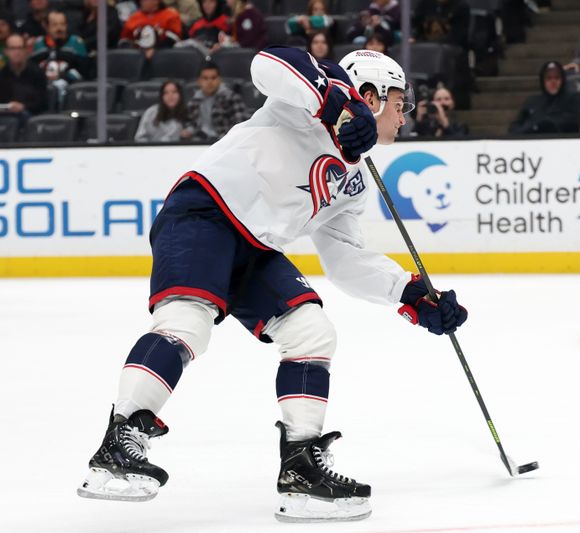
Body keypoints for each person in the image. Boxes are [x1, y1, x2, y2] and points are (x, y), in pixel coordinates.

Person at [76, 47, 466, 523]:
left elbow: (344, 258)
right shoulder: (308, 97)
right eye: (399, 103)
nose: (404, 117)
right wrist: (337, 103)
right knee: (186, 323)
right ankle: (120, 439)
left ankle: (300, 467)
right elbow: (267, 64)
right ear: (371, 95)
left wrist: (409, 293)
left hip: (256, 247)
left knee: (312, 332)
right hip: (205, 212)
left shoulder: (355, 180)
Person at [509, 61, 580, 134]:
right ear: (543, 81)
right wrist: (534, 127)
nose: (553, 81)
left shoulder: (573, 99)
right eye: (549, 78)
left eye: (557, 78)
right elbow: (515, 127)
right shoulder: (532, 102)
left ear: (562, 80)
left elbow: (575, 122)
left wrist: (545, 124)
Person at [185, 60, 247, 140]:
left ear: (219, 80)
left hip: (225, 142)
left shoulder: (232, 98)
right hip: (199, 143)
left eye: (213, 78)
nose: (209, 82)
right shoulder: (194, 101)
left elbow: (240, 125)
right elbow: (190, 124)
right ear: (199, 81)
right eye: (205, 78)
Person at [31, 10, 90, 83]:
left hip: (71, 85)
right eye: (54, 25)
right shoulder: (38, 43)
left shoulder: (76, 42)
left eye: (62, 24)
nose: (59, 28)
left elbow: (85, 70)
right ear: (46, 26)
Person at [0, 32, 47, 122]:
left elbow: (42, 102)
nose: (17, 52)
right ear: (6, 51)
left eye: (20, 48)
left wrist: (23, 106)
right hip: (6, 117)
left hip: (32, 117)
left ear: (26, 50)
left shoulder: (37, 73)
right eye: (12, 48)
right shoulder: (2, 74)